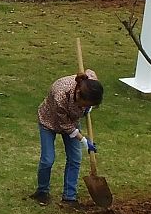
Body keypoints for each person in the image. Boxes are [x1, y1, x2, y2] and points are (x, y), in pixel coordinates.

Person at [32, 70, 104, 206]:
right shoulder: (60, 94)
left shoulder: (90, 82)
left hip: (72, 121)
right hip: (49, 121)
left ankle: (69, 196)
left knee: (75, 158)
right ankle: (42, 191)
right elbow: (65, 125)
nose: (86, 107)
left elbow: (90, 71)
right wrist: (83, 140)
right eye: (85, 104)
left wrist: (88, 108)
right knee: (48, 160)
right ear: (78, 94)